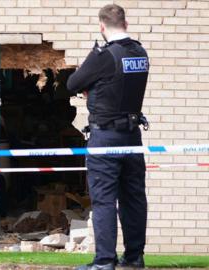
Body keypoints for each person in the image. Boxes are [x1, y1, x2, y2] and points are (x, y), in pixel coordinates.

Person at [67, 4, 149, 270]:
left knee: (104, 200)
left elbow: (72, 84)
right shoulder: (139, 52)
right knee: (133, 198)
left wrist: (91, 84)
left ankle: (104, 261)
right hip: (132, 136)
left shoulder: (103, 55)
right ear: (125, 23)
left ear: (102, 26)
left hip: (106, 137)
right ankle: (135, 258)